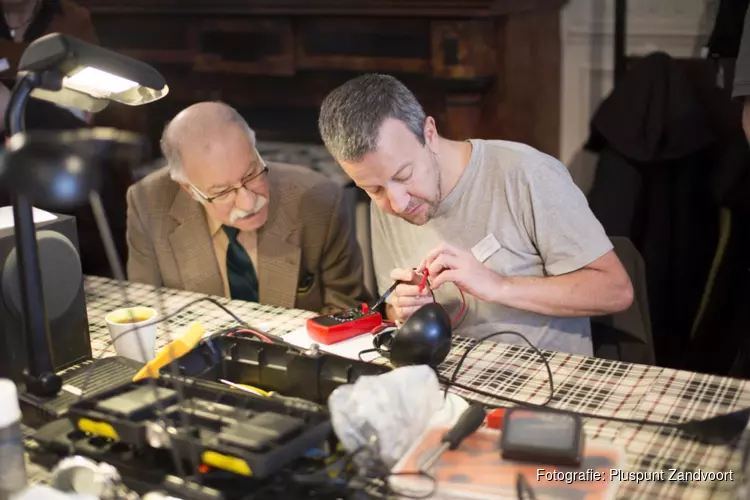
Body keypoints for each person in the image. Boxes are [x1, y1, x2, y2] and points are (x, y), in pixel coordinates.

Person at [318, 74, 634, 356]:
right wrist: (402, 307)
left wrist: (498, 286)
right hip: (446, 383)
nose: (397, 204)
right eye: (373, 189)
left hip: (543, 386)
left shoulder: (527, 174)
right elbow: (391, 308)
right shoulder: (386, 203)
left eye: (404, 175)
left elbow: (616, 291)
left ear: (429, 133)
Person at [126, 101, 370, 313]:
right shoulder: (147, 203)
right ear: (189, 189)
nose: (248, 202)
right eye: (222, 192)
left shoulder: (319, 199)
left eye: (252, 174)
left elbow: (347, 308)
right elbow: (148, 309)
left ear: (255, 149)